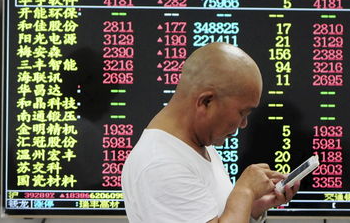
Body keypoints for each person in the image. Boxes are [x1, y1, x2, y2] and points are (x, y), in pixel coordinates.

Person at [121, 42, 299, 222]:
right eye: (242, 112)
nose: (244, 123)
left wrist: (251, 208)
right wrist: (245, 192)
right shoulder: (161, 164)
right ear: (206, 102)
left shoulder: (196, 146)